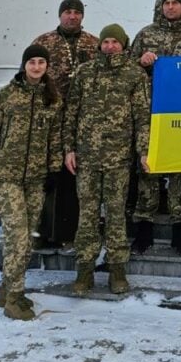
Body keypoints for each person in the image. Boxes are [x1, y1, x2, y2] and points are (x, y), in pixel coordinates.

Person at [64, 24, 150, 295]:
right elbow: (71, 113)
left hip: (118, 158)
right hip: (87, 158)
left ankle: (117, 270)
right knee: (87, 216)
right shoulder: (85, 72)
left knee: (115, 215)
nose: (110, 46)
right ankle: (84, 271)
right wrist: (69, 148)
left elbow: (142, 116)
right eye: (106, 41)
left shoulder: (134, 75)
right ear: (100, 45)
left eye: (115, 42)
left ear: (124, 45)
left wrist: (143, 150)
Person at [0, 45, 63, 321]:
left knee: (27, 240)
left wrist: (53, 170)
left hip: (36, 179)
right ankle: (14, 298)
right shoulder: (8, 95)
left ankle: (7, 288)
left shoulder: (52, 99)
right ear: (24, 65)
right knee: (16, 236)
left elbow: (55, 138)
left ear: (46, 66)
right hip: (8, 176)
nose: (37, 67)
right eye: (32, 62)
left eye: (41, 62)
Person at [129, 0, 181, 255]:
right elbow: (127, 70)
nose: (171, 7)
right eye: (167, 3)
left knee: (178, 170)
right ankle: (143, 230)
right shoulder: (145, 34)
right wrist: (141, 61)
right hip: (150, 112)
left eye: (175, 3)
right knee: (147, 167)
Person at [32, 0, 99, 245]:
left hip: (82, 119)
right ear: (60, 15)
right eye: (68, 12)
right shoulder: (44, 42)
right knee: (48, 174)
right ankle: (43, 231)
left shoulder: (94, 43)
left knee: (74, 175)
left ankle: (69, 231)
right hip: (50, 118)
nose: (72, 17)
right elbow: (29, 77)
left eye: (77, 13)